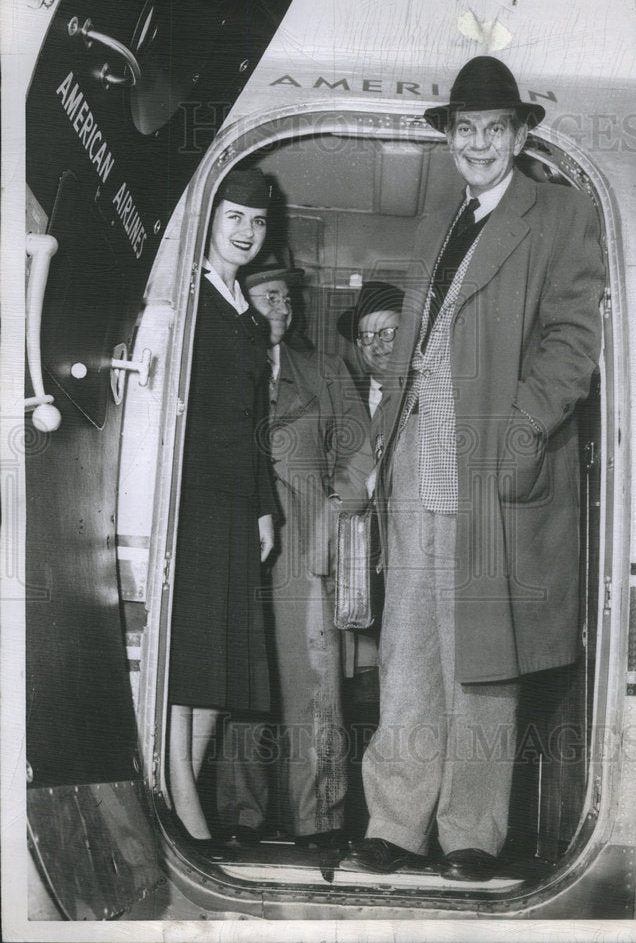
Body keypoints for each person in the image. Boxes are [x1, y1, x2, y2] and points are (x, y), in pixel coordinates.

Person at [346, 56, 606, 881]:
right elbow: (412, 358)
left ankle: (469, 833)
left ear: (521, 134)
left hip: (492, 469)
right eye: (466, 130)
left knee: (483, 661)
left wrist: (519, 434)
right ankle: (394, 822)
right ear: (450, 138)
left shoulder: (561, 214)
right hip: (418, 462)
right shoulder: (437, 222)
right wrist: (370, 455)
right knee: (410, 648)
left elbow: (572, 344)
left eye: (496, 129)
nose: (480, 144)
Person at [217, 263, 364, 846]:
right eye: (267, 296)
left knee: (314, 682)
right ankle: (238, 818)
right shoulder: (220, 366)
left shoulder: (325, 371)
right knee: (238, 681)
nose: (281, 308)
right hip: (233, 540)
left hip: (305, 542)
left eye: (286, 298)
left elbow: (359, 452)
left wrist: (334, 510)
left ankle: (320, 819)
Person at [167, 168, 276, 842]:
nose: (244, 231)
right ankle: (183, 807)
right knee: (189, 658)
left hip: (235, 502)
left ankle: (184, 800)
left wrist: (263, 507)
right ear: (209, 220)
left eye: (257, 221)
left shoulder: (244, 309)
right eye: (233, 216)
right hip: (194, 497)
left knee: (222, 660)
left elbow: (254, 424)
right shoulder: (189, 296)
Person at [334, 281, 404, 676]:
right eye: (365, 337)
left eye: (387, 333)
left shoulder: (428, 390)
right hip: (359, 543)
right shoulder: (343, 389)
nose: (375, 344)